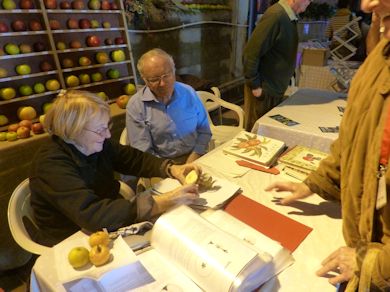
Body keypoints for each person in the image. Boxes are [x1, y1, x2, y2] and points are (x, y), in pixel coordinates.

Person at [266, 0, 390, 289]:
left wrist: (371, 262)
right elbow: (353, 142)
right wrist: (315, 183)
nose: (367, 4)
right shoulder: (381, 58)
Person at [29, 90, 201, 246]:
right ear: (73, 130)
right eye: (100, 130)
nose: (108, 135)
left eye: (107, 126)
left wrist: (172, 169)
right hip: (71, 239)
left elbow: (133, 159)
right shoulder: (50, 164)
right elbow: (92, 214)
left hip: (106, 223)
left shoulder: (95, 143)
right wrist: (164, 201)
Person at [126, 48, 212, 164]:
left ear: (174, 70)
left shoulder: (188, 92)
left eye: (166, 75)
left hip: (196, 155)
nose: (162, 84)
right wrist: (170, 169)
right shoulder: (136, 106)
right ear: (144, 80)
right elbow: (143, 152)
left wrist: (194, 156)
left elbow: (204, 130)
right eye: (154, 79)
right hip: (162, 165)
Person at [243, 0, 311, 131]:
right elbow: (251, 53)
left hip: (274, 89)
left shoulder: (289, 16)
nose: (310, 2)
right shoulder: (277, 15)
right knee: (258, 134)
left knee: (270, 134)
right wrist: (255, 86)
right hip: (265, 90)